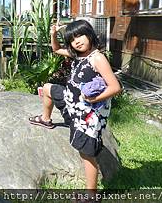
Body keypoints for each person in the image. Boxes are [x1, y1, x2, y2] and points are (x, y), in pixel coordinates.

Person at [29, 19, 121, 195]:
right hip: (72, 102)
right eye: (72, 39)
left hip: (87, 113)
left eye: (80, 35)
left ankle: (91, 195)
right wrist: (53, 34)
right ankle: (46, 119)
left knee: (86, 153)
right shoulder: (79, 55)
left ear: (90, 34)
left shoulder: (97, 58)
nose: (77, 41)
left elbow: (115, 87)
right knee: (48, 88)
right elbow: (56, 49)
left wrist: (94, 99)